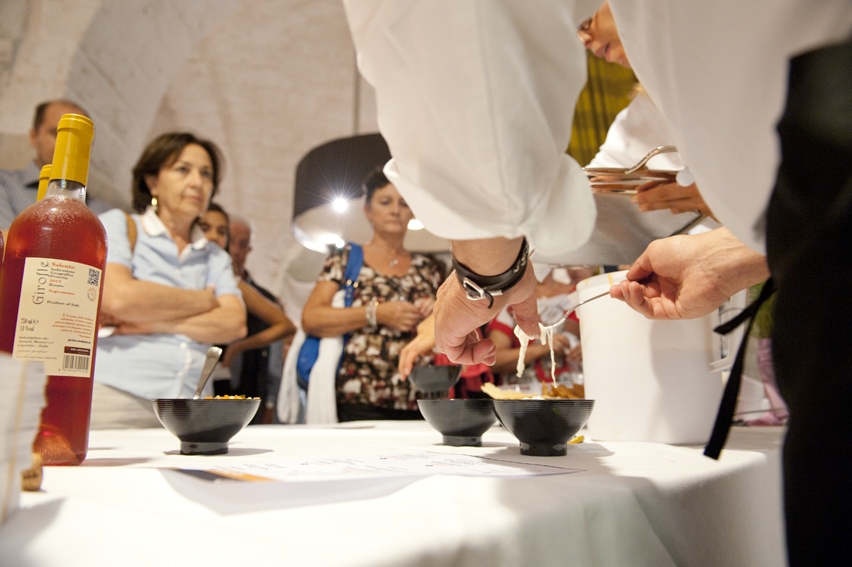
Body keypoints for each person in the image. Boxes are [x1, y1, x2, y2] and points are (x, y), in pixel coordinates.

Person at [343, 2, 851, 564]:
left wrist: (483, 272)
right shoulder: (651, 110)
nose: (581, 24)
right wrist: (734, 248)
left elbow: (467, 41)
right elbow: (600, 207)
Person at [91, 133, 246, 429]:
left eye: (206, 174)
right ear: (152, 181)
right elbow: (119, 298)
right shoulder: (120, 226)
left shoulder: (215, 256)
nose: (197, 182)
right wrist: (203, 300)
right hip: (119, 396)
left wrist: (153, 323)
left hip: (191, 406)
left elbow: (233, 323)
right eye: (182, 169)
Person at [301, 168, 443, 421]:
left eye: (404, 203)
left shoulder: (428, 267)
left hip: (420, 397)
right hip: (359, 397)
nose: (395, 210)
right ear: (368, 210)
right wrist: (376, 313)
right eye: (385, 202)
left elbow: (444, 328)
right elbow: (312, 318)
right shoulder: (346, 257)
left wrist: (434, 311)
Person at [199, 205, 296, 421]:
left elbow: (284, 327)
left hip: (232, 383)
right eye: (205, 229)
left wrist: (237, 347)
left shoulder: (237, 285)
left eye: (220, 232)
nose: (214, 238)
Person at [0, 100, 111, 229]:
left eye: (78, 140)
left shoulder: (103, 212)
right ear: (34, 136)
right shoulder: (4, 185)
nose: (69, 145)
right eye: (56, 133)